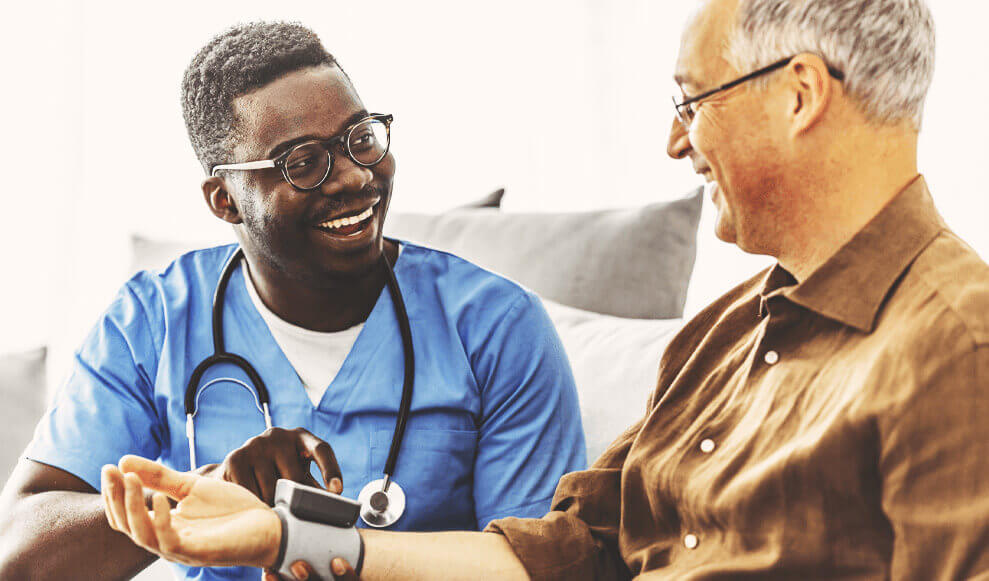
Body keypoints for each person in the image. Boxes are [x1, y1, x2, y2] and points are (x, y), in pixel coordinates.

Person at [99, 0, 989, 579]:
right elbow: (571, 550)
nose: (676, 145)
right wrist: (285, 535)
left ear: (798, 96)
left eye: (692, 101)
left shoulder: (957, 349)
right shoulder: (727, 334)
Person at [0, 22, 587, 581]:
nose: (355, 177)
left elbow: (541, 566)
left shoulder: (498, 326)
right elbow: (18, 554)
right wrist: (194, 494)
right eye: (303, 163)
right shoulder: (151, 322)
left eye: (361, 139)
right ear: (224, 199)